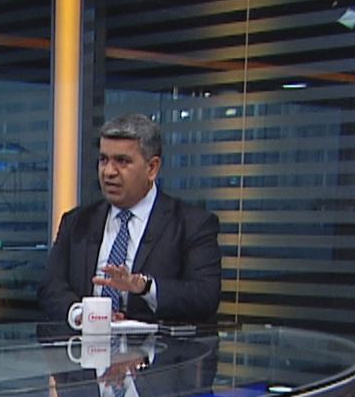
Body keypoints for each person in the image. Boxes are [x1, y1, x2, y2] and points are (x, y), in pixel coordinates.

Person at [39, 113, 221, 324]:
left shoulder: (192, 224)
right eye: (104, 160)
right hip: (85, 342)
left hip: (156, 344)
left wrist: (145, 287)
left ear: (152, 168)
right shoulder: (76, 222)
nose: (109, 172)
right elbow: (50, 287)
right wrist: (83, 314)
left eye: (122, 161)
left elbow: (205, 296)